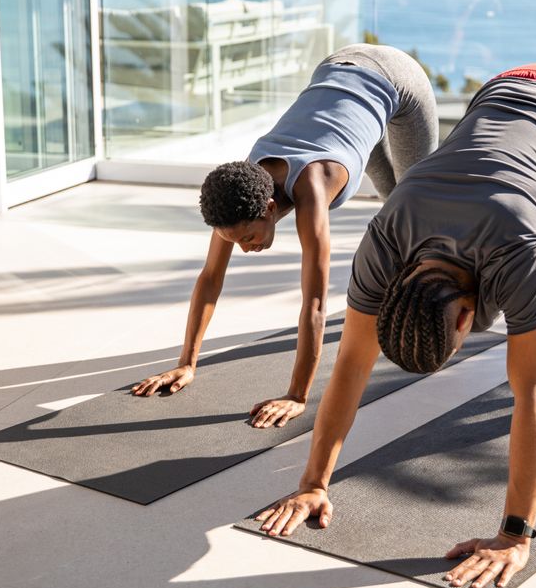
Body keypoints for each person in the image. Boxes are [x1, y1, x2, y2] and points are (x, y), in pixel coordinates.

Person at [254, 64, 536, 588]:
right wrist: (312, 483)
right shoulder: (386, 240)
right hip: (505, 90)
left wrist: (516, 535)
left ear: (468, 319)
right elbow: (352, 366)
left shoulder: (517, 255)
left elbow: (534, 398)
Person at [131, 44, 439, 428]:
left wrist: (297, 395)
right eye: (235, 241)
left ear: (270, 209)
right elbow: (210, 277)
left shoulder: (312, 187)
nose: (244, 248)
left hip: (395, 78)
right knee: (393, 199)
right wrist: (186, 364)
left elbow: (314, 303)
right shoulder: (239, 188)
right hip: (336, 77)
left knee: (419, 207)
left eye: (247, 237)